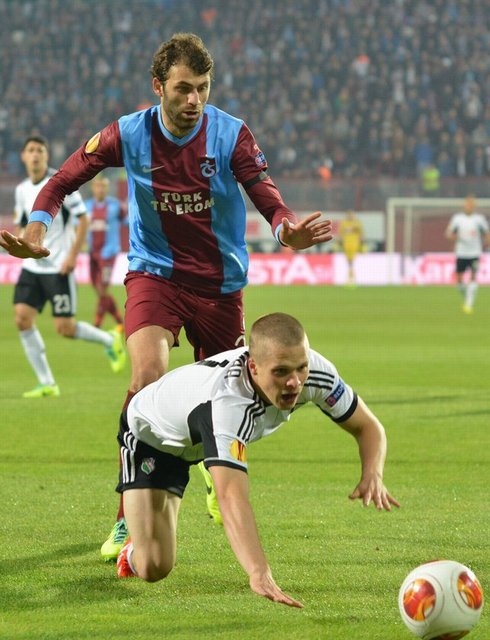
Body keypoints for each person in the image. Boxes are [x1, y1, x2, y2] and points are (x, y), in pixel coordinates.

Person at [0, 33, 332, 559]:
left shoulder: (231, 135)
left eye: (201, 88)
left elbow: (267, 197)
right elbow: (62, 179)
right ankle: (124, 519)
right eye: (182, 89)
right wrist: (38, 225)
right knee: (145, 381)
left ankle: (204, 461)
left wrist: (285, 226)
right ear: (158, 87)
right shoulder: (127, 134)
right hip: (155, 276)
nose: (193, 100)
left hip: (221, 287)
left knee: (232, 396)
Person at [115, 312, 400, 608]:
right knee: (153, 567)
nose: (294, 382)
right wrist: (258, 571)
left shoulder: (315, 373)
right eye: (281, 372)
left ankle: (150, 524)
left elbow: (369, 428)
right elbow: (231, 497)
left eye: (301, 368)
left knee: (160, 560)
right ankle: (133, 547)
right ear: (253, 366)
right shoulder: (229, 404)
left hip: (202, 439)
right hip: (152, 438)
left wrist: (373, 474)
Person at [10, 136, 126, 398]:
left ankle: (111, 340)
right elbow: (22, 222)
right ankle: (47, 382)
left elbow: (83, 219)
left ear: (47, 155)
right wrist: (19, 241)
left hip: (58, 267)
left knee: (65, 328)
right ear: (23, 156)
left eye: (40, 150)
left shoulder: (58, 185)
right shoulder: (21, 190)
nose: (36, 155)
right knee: (22, 319)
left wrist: (73, 255)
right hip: (32, 268)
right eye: (31, 150)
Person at [85, 174, 126, 329]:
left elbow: (127, 221)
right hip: (92, 252)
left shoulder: (116, 206)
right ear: (93, 188)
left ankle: (98, 322)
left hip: (108, 253)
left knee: (103, 287)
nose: (100, 189)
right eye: (97, 186)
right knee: (96, 287)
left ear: (107, 188)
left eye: (103, 186)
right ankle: (117, 318)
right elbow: (79, 227)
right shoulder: (86, 206)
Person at [445, 195, 490, 314]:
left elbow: (486, 233)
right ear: (464, 205)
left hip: (475, 252)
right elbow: (449, 233)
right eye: (467, 204)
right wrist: (455, 236)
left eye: (471, 205)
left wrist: (487, 241)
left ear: (474, 207)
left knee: (473, 276)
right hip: (461, 252)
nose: (469, 207)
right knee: (459, 280)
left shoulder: (479, 219)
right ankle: (467, 297)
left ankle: (469, 303)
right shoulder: (457, 219)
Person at [338, 210, 364, 286]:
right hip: (346, 244)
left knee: (352, 259)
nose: (350, 216)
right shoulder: (344, 223)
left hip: (355, 244)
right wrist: (340, 241)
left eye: (352, 215)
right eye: (349, 215)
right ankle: (350, 274)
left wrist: (362, 243)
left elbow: (361, 234)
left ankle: (352, 275)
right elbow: (340, 233)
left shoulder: (357, 223)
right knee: (349, 260)